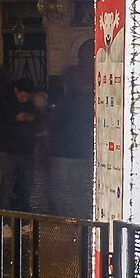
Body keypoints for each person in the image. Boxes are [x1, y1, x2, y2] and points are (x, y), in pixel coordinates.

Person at [43, 78, 92, 218]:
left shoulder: (63, 101)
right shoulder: (87, 103)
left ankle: (62, 219)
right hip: (80, 152)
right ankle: (82, 219)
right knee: (79, 190)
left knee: (59, 190)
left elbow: (54, 123)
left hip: (62, 152)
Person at [0, 79, 34, 202]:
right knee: (6, 185)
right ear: (16, 91)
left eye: (27, 97)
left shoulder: (29, 103)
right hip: (8, 148)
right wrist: (15, 119)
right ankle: (6, 218)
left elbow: (37, 125)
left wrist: (32, 118)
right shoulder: (3, 103)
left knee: (24, 189)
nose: (24, 99)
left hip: (25, 149)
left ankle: (22, 216)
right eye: (22, 96)